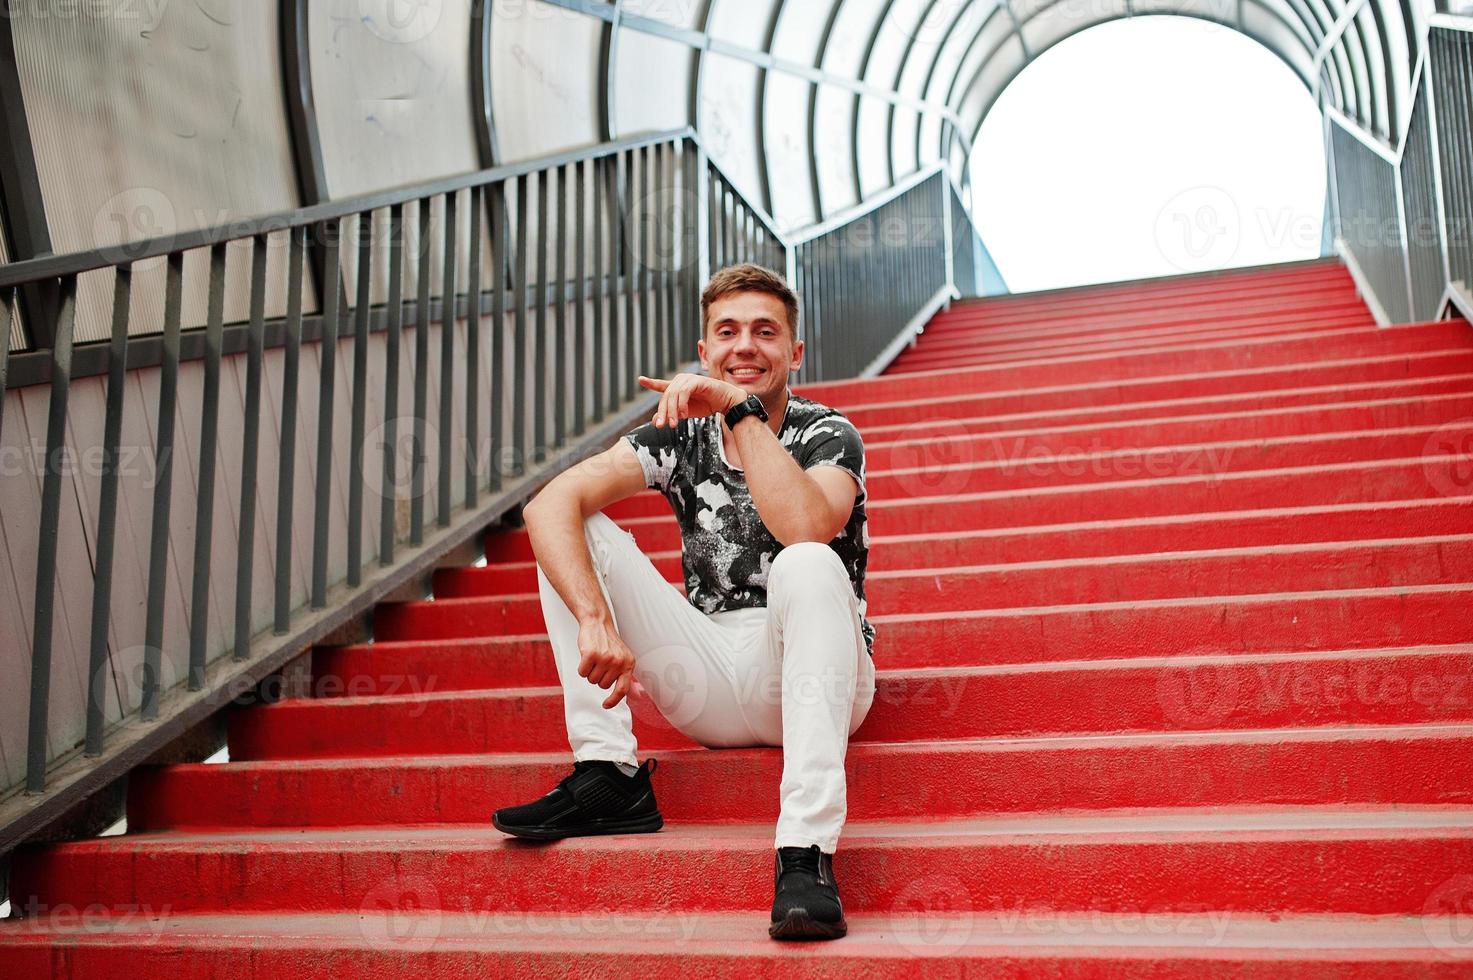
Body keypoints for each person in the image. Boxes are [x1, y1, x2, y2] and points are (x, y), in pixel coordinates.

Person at [491, 263, 877, 941]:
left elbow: (804, 527)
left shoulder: (827, 433)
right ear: (704, 351)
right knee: (570, 522)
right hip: (711, 672)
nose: (745, 346)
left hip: (819, 674)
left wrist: (738, 410)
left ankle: (804, 853)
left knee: (809, 561)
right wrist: (594, 618)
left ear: (795, 352)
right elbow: (548, 502)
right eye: (727, 332)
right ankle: (607, 772)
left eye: (765, 331)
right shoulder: (678, 437)